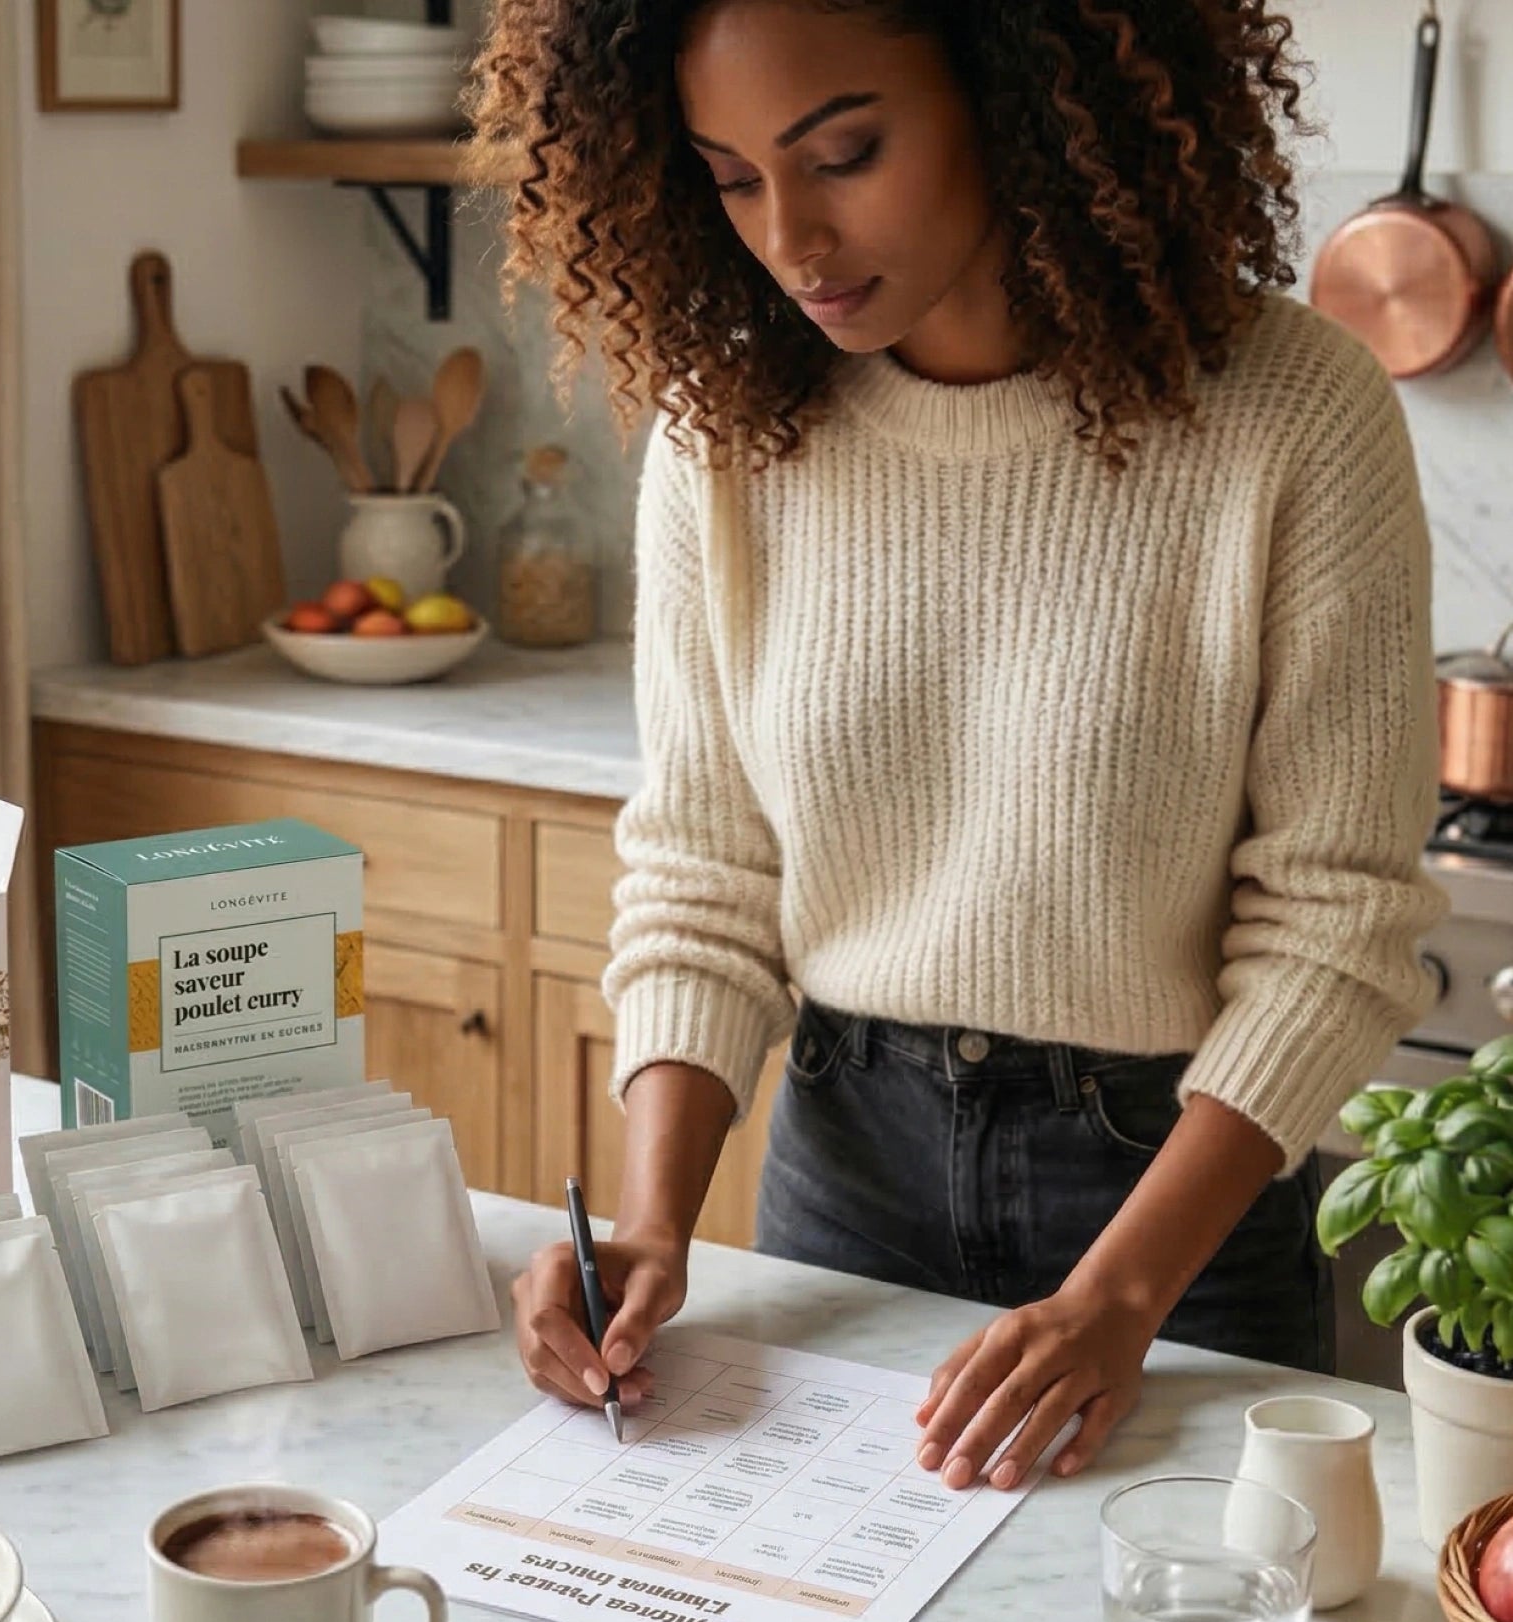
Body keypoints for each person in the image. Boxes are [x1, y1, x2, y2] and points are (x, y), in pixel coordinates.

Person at [486, 0, 1442, 1489]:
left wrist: (1120, 1299)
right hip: (839, 1170)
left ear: (1018, 89)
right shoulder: (724, 431)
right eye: (731, 177)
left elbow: (1335, 924)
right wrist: (650, 1225)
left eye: (845, 153)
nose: (791, 237)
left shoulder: (1293, 414)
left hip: (1169, 1200)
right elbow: (703, 872)